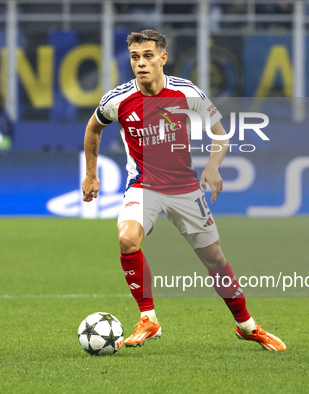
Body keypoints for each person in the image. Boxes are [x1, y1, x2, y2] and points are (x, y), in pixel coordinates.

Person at [81, 29, 286, 351]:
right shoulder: (118, 99)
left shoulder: (186, 92)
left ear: (163, 58)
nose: (141, 63)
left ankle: (246, 326)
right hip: (143, 186)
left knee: (215, 260)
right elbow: (94, 127)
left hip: (184, 189)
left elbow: (221, 136)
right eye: (135, 57)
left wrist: (213, 166)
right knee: (126, 239)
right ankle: (148, 320)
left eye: (148, 56)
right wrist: (91, 175)